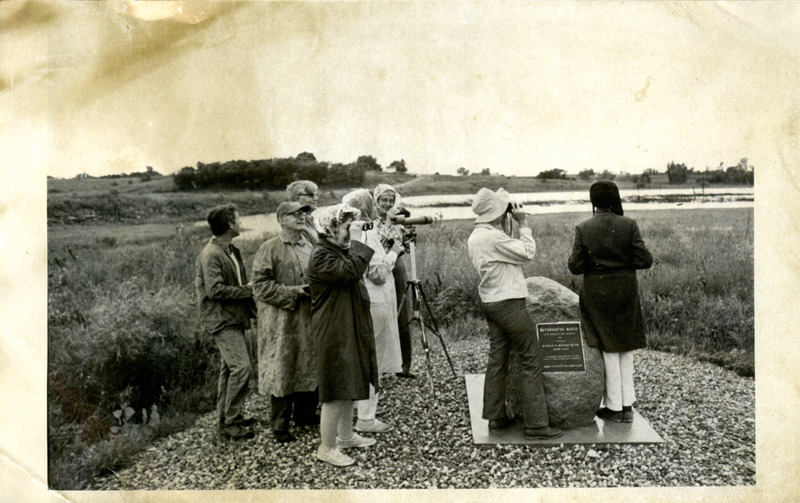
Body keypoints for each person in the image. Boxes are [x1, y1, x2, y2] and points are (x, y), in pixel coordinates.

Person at [467, 188, 563, 440]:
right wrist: (524, 224)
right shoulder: (493, 238)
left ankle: (495, 417)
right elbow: (527, 253)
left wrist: (506, 222)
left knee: (498, 359)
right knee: (532, 356)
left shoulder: (478, 235)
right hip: (509, 304)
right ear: (495, 212)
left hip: (491, 303)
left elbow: (506, 251)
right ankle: (537, 424)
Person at [568, 180, 653, 423]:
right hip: (626, 291)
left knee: (607, 348)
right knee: (625, 346)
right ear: (615, 198)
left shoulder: (583, 227)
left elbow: (575, 267)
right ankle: (627, 406)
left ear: (593, 201)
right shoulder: (629, 224)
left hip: (597, 295)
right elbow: (644, 260)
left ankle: (614, 406)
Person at [308, 204, 380, 467]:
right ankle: (326, 448)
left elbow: (352, 267)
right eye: (346, 226)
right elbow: (350, 272)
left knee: (348, 383)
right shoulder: (321, 256)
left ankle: (346, 436)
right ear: (329, 229)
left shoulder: (336, 251)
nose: (350, 231)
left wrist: (357, 242)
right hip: (333, 329)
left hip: (345, 324)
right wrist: (360, 243)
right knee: (336, 388)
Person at [252, 201, 319, 444]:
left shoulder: (310, 245)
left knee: (309, 361)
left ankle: (305, 415)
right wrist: (294, 292)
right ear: (281, 219)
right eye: (295, 214)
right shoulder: (269, 248)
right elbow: (260, 287)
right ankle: (279, 426)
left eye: (304, 213)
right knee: (283, 366)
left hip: (308, 317)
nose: (302, 217)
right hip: (281, 322)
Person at [342, 189, 405, 433]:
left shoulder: (350, 232)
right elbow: (377, 273)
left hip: (362, 301)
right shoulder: (366, 236)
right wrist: (394, 252)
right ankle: (367, 418)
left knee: (363, 356)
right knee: (373, 359)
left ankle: (358, 408)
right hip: (374, 302)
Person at [195, 203, 257, 440]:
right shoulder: (212, 254)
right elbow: (215, 291)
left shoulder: (230, 249)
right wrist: (247, 291)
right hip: (221, 320)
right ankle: (231, 423)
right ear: (230, 224)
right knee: (241, 368)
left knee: (229, 370)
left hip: (232, 318)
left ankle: (228, 418)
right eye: (238, 219)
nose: (241, 223)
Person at [373, 183, 416, 378]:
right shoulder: (370, 222)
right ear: (376, 201)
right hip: (378, 267)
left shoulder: (399, 219)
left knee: (403, 312)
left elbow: (407, 245)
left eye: (391, 201)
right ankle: (381, 365)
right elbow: (377, 245)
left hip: (397, 267)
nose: (387, 204)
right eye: (384, 200)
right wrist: (389, 224)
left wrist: (408, 225)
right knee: (381, 314)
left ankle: (404, 365)